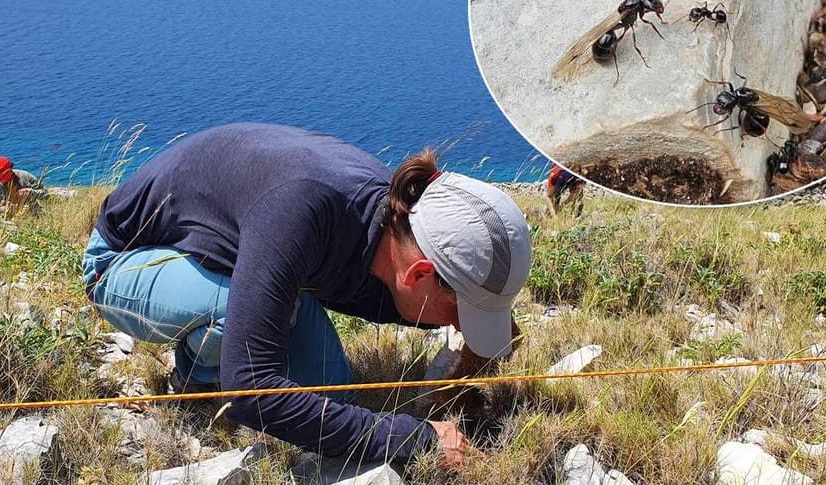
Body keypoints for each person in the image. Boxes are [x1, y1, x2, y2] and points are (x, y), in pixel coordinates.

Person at [82, 123, 532, 467]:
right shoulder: (301, 211)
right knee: (251, 333)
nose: (455, 326)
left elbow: (430, 308)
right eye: (458, 314)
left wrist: (484, 334)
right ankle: (195, 374)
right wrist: (417, 439)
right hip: (124, 263)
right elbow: (251, 390)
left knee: (335, 397)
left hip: (228, 256)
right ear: (417, 274)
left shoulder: (392, 222)